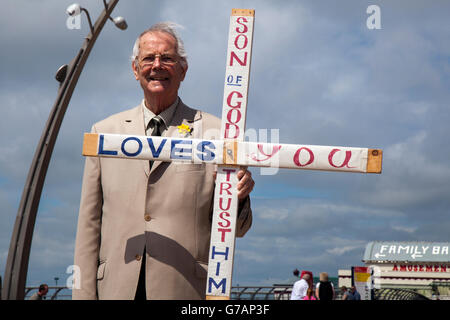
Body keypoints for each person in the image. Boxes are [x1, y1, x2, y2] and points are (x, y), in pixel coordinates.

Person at [73, 22, 254, 300]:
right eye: (148, 58)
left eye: (167, 58)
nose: (157, 65)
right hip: (115, 290)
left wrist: (237, 198)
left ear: (183, 70)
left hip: (186, 291)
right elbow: (89, 224)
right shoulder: (104, 133)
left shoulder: (218, 134)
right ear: (135, 70)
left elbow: (237, 230)